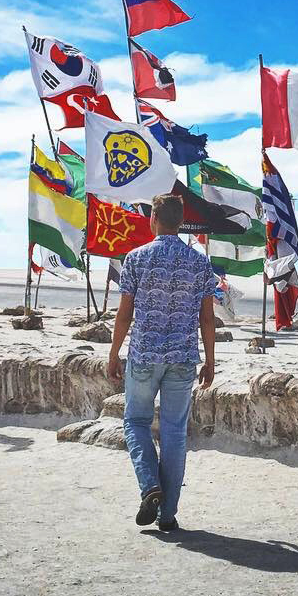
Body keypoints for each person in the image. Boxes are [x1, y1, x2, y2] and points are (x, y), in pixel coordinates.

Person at [107, 193, 216, 532]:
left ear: (153, 219)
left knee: (135, 422)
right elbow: (207, 318)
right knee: (174, 433)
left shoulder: (136, 258)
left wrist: (113, 353)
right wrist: (210, 360)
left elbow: (125, 315)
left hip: (143, 355)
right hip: (182, 358)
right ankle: (167, 514)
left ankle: (149, 485)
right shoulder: (199, 262)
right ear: (181, 222)